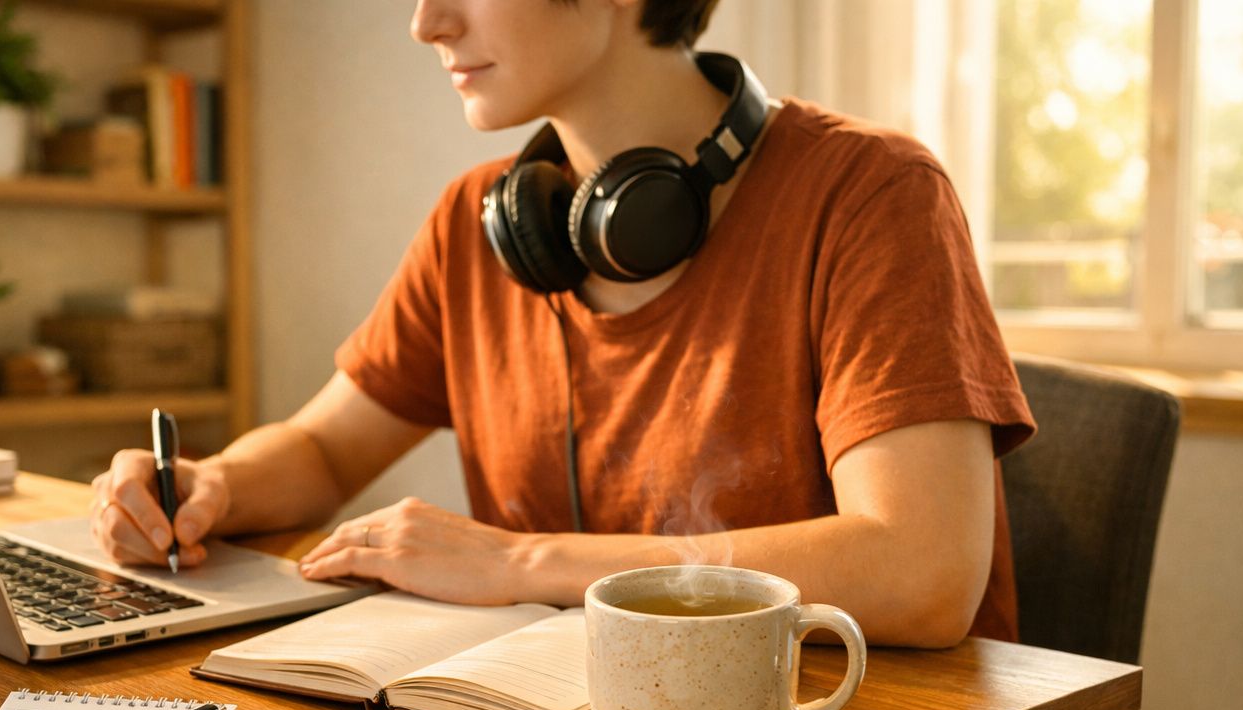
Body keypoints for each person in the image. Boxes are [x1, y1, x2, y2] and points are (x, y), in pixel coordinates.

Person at [91, 0, 1035, 648]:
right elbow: (323, 450)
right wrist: (211, 486)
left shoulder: (872, 194)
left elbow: (920, 572)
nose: (426, 23)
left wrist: (521, 562)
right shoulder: (477, 224)